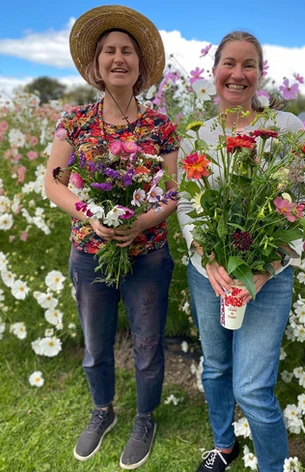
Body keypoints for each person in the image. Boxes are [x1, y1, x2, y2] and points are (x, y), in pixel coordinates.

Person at [44, 5, 179, 469]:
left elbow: (173, 191)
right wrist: (89, 214)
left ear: (141, 66)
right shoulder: (75, 120)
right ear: (95, 65)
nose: (118, 58)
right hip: (89, 251)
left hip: (148, 255)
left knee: (146, 344)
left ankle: (144, 417)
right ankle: (102, 411)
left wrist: (142, 221)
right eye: (108, 51)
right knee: (96, 343)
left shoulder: (160, 125)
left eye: (127, 51)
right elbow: (53, 182)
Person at [177, 31, 305, 472]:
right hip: (208, 272)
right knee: (215, 366)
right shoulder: (200, 135)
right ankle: (224, 445)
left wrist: (267, 270)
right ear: (214, 73)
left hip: (267, 275)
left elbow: (302, 204)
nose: (238, 73)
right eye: (229, 64)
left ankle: (274, 465)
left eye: (248, 64)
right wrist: (207, 257)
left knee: (252, 387)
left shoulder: (285, 129)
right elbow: (186, 203)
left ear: (260, 73)